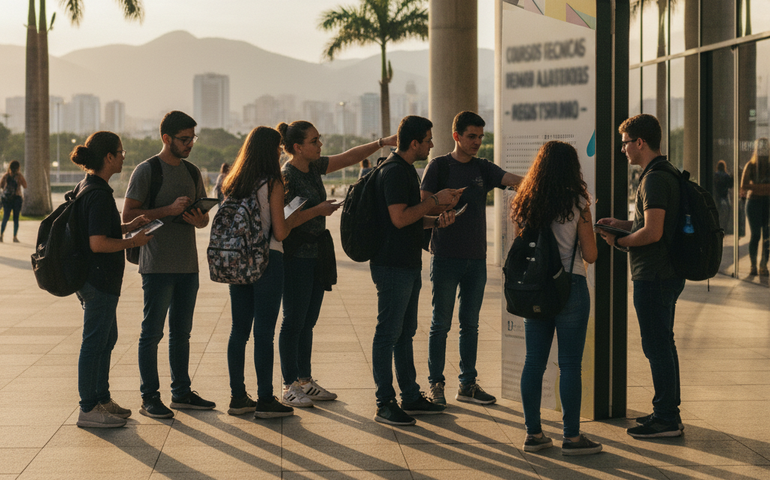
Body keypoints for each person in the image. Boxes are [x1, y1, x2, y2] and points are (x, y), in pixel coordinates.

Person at [277, 120, 397, 408]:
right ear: (298, 147)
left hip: (317, 253)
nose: (320, 145)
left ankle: (305, 380)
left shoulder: (314, 166)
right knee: (293, 321)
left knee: (308, 321)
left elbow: (348, 157)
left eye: (319, 139)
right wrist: (318, 210)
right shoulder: (286, 176)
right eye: (314, 141)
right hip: (295, 255)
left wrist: (382, 143)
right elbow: (284, 221)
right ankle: (289, 385)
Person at [420, 111, 522, 406]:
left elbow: (515, 181)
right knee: (440, 323)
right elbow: (421, 207)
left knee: (470, 324)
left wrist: (543, 181)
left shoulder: (483, 168)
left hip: (476, 259)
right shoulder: (439, 166)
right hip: (445, 257)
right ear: (456, 136)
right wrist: (441, 208)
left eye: (480, 137)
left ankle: (467, 384)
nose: (477, 142)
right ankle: (435, 384)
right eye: (471, 136)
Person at [370, 115, 462, 426]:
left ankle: (409, 395)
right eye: (428, 140)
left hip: (406, 263)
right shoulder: (395, 171)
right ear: (413, 143)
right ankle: (385, 402)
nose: (432, 145)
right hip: (392, 264)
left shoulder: (405, 169)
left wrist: (437, 220)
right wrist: (435, 200)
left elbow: (409, 217)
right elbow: (398, 218)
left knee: (405, 332)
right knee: (388, 333)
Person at [510, 141, 601, 455]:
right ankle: (572, 438)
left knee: (533, 362)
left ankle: (533, 434)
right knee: (570, 365)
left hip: (535, 288)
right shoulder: (578, 203)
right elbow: (590, 254)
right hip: (570, 286)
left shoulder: (525, 202)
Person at [597, 113, 685, 438]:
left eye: (625, 143)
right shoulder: (665, 172)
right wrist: (621, 224)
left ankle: (666, 418)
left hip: (654, 275)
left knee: (657, 346)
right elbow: (649, 223)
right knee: (663, 343)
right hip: (666, 272)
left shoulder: (654, 179)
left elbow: (652, 232)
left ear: (640, 142)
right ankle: (666, 411)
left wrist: (619, 242)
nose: (623, 149)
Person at [123, 111, 215, 418]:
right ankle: (149, 397)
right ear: (166, 138)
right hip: (157, 264)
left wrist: (199, 219)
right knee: (152, 333)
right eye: (184, 139)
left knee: (181, 333)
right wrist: (168, 209)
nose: (190, 144)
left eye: (192, 138)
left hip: (188, 265)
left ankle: (181, 393)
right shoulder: (147, 170)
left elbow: (203, 220)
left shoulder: (192, 172)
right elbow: (128, 216)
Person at [69, 131, 153, 428]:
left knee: (107, 339)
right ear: (108, 157)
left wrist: (128, 226)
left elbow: (99, 229)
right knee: (94, 343)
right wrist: (133, 242)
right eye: (120, 152)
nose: (123, 157)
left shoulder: (88, 185)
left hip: (94, 279)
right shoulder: (100, 193)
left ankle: (101, 399)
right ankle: (88, 408)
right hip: (98, 279)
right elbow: (98, 243)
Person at [223, 127, 298, 419]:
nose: (280, 152)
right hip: (267, 260)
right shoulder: (273, 182)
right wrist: (294, 216)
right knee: (264, 333)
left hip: (238, 261)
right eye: (278, 147)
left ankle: (238, 397)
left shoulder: (234, 181)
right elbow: (279, 231)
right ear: (271, 150)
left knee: (238, 330)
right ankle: (266, 399)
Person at [740, 138, 770, 276]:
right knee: (756, 235)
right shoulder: (751, 166)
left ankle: (763, 265)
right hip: (754, 203)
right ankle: (754, 265)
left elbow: (747, 185)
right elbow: (743, 185)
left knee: (767, 236)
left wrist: (757, 187)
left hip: (765, 202)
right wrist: (764, 188)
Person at [0, 160, 27, 242]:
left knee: (5, 217)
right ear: (18, 168)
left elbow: (1, 185)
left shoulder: (6, 175)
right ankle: (14, 237)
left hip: (7, 199)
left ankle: (1, 235)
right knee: (16, 218)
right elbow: (25, 186)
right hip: (17, 199)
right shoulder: (19, 176)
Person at [713, 160, 733, 234]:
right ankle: (724, 228)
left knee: (717, 211)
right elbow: (730, 185)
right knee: (727, 210)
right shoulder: (726, 175)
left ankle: (717, 227)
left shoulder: (716, 175)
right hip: (724, 195)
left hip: (717, 195)